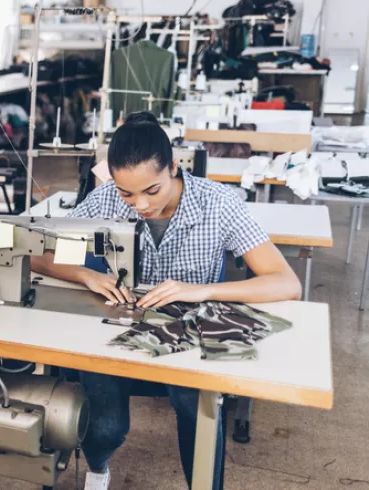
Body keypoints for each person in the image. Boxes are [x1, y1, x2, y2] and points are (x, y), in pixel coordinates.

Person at [31, 111, 301, 490]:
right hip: (117, 330)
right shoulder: (106, 200)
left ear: (174, 167)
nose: (139, 204)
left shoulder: (218, 203)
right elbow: (38, 253)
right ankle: (97, 467)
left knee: (198, 408)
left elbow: (285, 282)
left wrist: (200, 290)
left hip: (187, 336)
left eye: (151, 191)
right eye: (128, 193)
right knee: (105, 425)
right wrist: (85, 273)